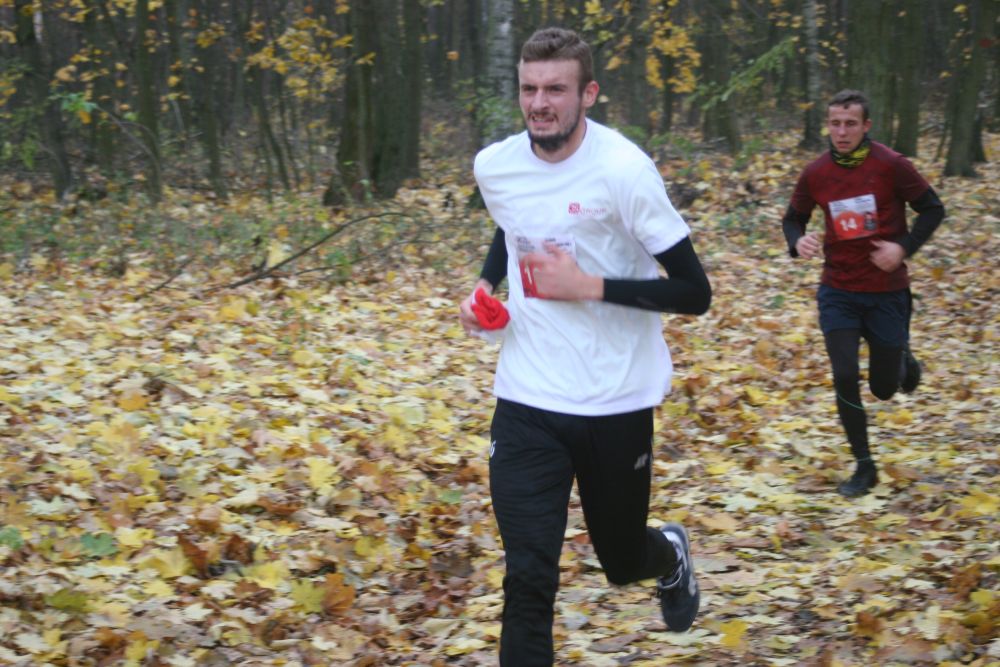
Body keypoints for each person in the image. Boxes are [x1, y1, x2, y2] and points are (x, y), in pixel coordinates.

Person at [458, 27, 712, 666]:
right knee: (528, 577)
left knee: (621, 561)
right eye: (529, 89)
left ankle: (667, 556)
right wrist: (485, 289)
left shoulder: (624, 171)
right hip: (527, 399)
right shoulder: (495, 166)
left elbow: (694, 291)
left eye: (555, 90)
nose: (539, 104)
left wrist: (589, 287)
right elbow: (511, 224)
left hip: (614, 399)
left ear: (588, 94)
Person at [781, 89, 945, 498]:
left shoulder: (892, 165)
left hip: (887, 291)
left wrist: (903, 248)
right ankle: (864, 465)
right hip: (838, 289)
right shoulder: (816, 172)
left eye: (850, 124)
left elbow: (933, 208)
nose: (841, 132)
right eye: (835, 123)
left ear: (866, 126)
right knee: (844, 375)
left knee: (883, 389)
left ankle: (901, 357)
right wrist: (798, 241)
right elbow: (793, 219)